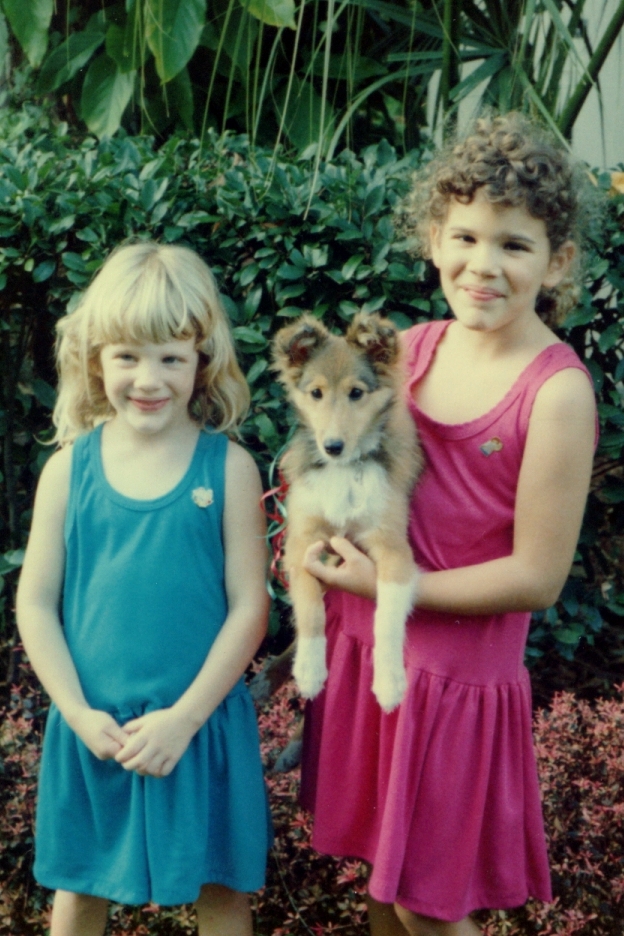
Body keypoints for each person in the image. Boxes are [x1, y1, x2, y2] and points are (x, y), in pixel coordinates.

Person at [298, 112, 598, 936]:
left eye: (514, 245)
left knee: (424, 904)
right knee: (380, 880)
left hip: (453, 682)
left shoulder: (556, 393)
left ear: (557, 261)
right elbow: (349, 471)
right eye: (464, 236)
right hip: (376, 652)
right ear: (433, 238)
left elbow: (537, 576)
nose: (483, 265)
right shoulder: (413, 351)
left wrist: (387, 580)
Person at [16, 241, 271, 936]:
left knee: (221, 890)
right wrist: (74, 710)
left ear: (202, 361)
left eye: (170, 357)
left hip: (199, 724)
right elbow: (34, 603)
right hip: (94, 725)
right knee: (80, 891)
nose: (148, 378)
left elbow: (251, 609)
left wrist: (185, 718)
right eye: (128, 355)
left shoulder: (231, 468)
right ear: (96, 359)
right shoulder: (70, 472)